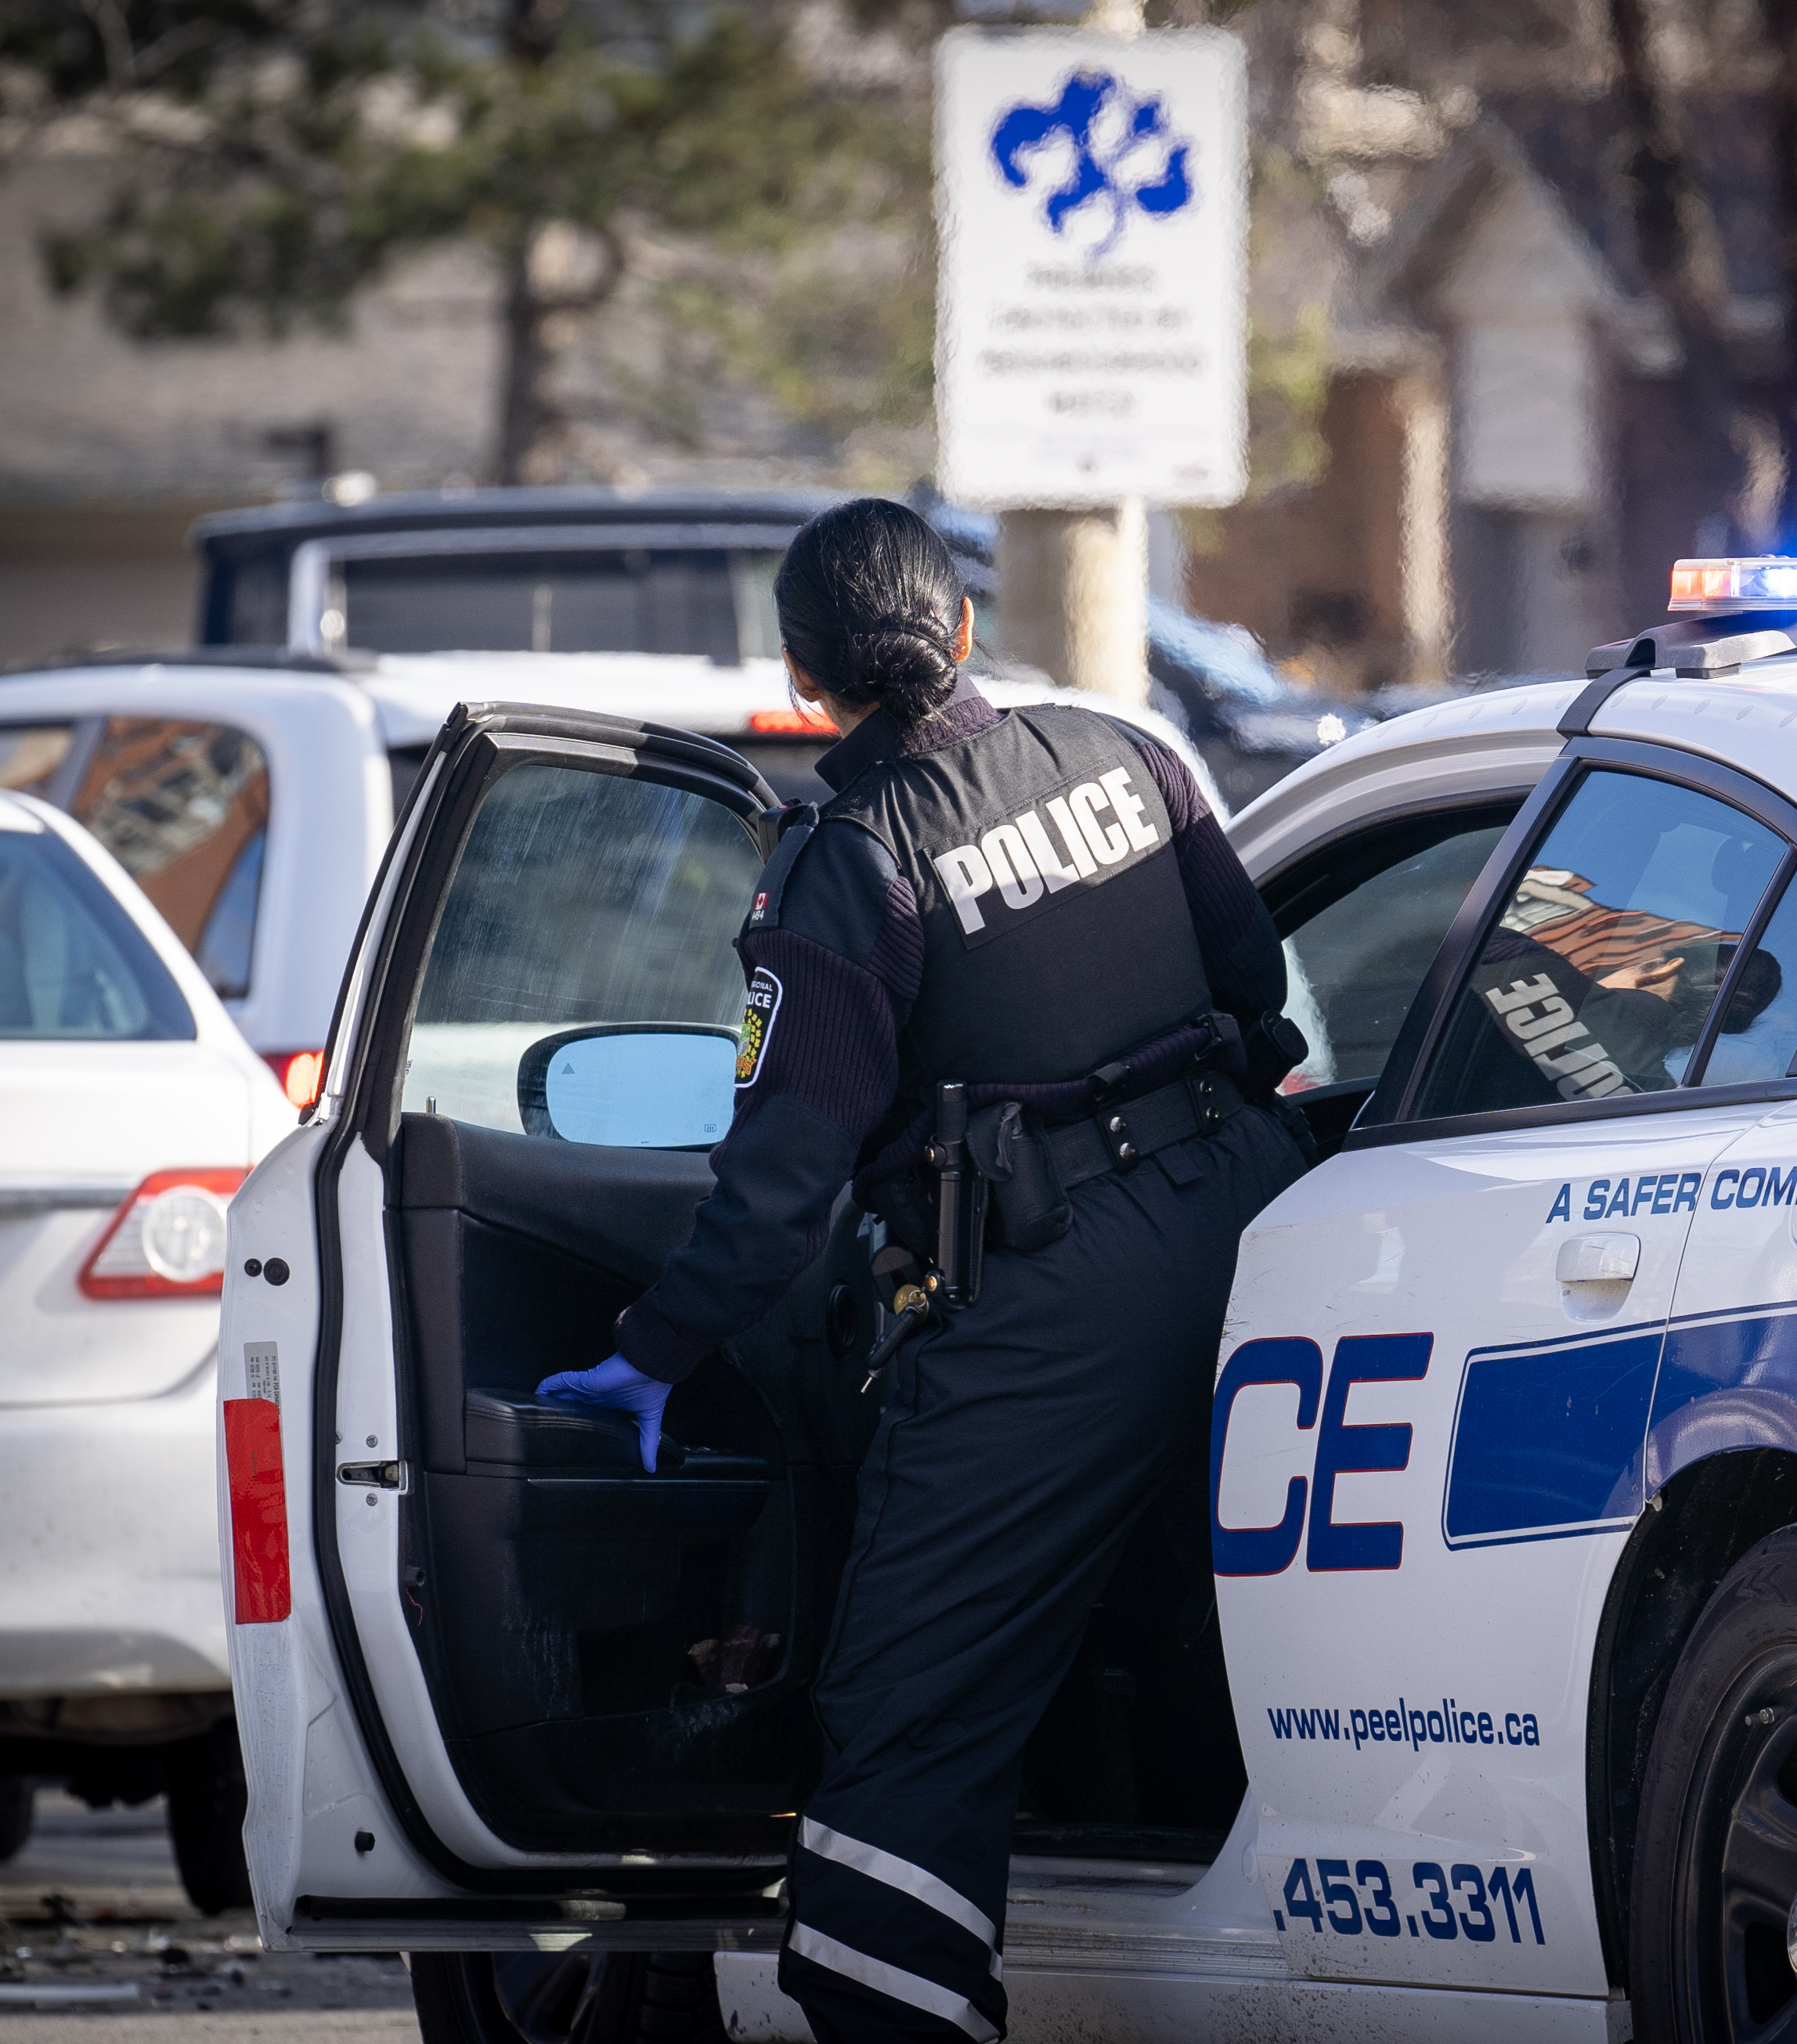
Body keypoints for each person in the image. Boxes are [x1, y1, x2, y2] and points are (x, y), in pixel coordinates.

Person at [535, 498, 1305, 2042]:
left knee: (903, 1707)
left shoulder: (855, 859)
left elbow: (781, 1181)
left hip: (1052, 1300)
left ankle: (900, 2009)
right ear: (962, 626)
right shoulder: (1131, 754)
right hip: (1256, 1231)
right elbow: (1257, 982)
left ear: (803, 673)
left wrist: (653, 1349)